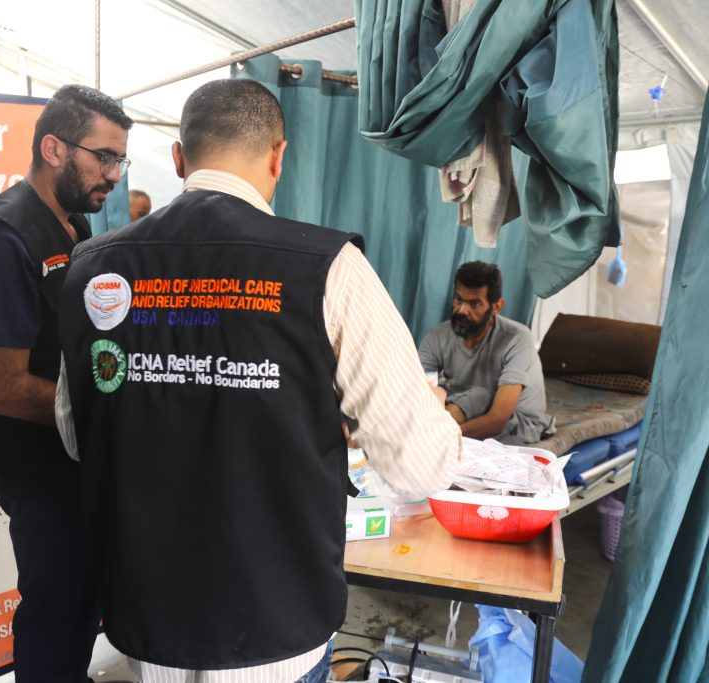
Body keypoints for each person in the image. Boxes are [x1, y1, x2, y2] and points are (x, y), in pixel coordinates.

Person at [55, 79, 461, 683]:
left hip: (148, 614)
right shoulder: (328, 268)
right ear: (278, 157)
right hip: (277, 621)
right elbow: (419, 465)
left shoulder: (92, 268)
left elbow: (75, 435)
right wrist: (433, 412)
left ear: (179, 159)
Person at [0, 84, 133, 683]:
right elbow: (2, 388)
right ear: (54, 148)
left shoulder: (74, 227)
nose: (114, 175)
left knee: (80, 612)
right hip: (43, 480)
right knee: (56, 617)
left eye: (120, 160)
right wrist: (113, 414)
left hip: (83, 469)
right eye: (104, 157)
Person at [418, 260, 554, 445]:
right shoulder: (438, 335)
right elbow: (417, 389)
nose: (462, 310)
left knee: (479, 396)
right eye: (458, 299)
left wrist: (440, 437)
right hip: (461, 408)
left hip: (516, 423)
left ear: (496, 307)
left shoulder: (517, 338)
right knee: (437, 396)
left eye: (474, 304)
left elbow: (498, 419)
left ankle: (430, 433)